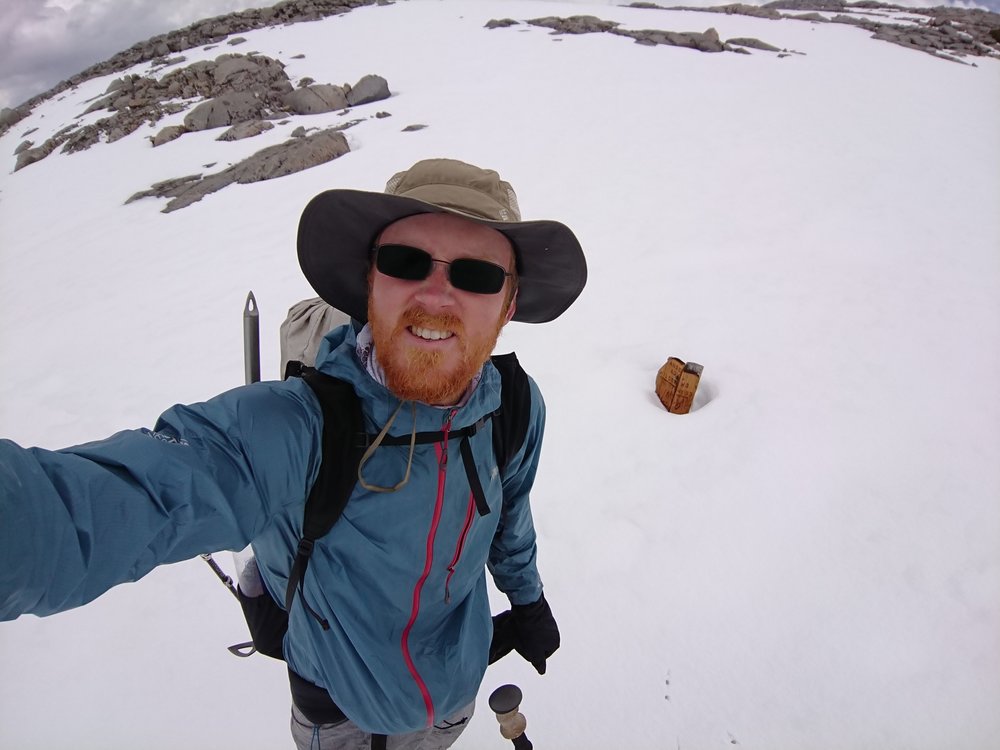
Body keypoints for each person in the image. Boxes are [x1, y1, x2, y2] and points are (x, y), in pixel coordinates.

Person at [0, 158, 587, 749]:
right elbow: (117, 501)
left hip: (453, 696)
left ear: (509, 305)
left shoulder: (512, 406)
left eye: (478, 274)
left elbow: (509, 516)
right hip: (336, 709)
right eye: (405, 262)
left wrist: (527, 600)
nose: (436, 295)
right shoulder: (298, 426)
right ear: (369, 284)